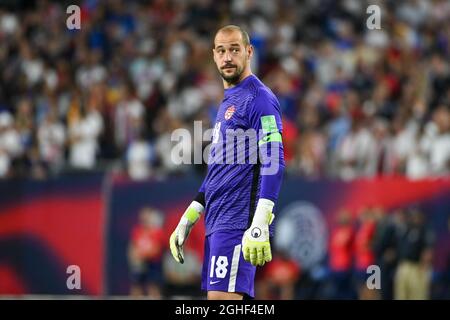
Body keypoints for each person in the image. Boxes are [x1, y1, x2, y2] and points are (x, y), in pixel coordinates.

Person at [169, 25, 285, 300]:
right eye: (221, 51)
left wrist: (260, 220)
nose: (228, 57)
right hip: (218, 223)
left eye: (234, 49)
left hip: (237, 223)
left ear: (249, 51)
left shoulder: (259, 98)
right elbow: (220, 170)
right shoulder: (227, 102)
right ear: (213, 56)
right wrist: (189, 217)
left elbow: (274, 159)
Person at [128, 207, 165, 298]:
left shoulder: (157, 232)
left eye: (147, 216)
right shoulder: (137, 231)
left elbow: (157, 250)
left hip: (153, 264)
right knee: (136, 288)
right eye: (143, 217)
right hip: (140, 263)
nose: (144, 219)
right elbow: (133, 247)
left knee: (153, 288)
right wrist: (134, 257)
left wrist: (142, 255)